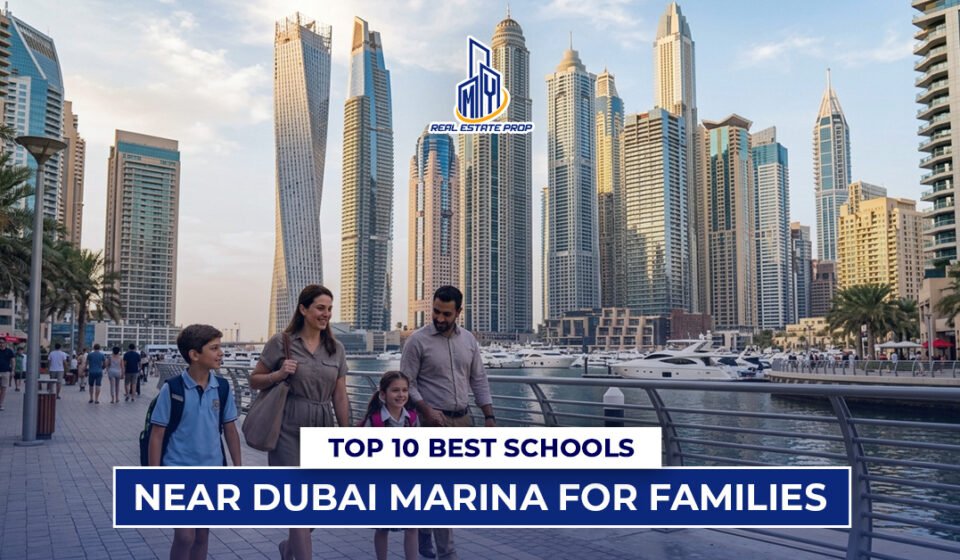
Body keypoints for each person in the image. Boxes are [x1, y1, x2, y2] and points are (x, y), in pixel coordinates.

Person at [248, 284, 351, 560]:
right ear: (303, 309)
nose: (326, 314)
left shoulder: (336, 349)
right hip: (288, 427)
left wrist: (347, 435)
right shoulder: (281, 342)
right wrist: (279, 374)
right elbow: (254, 379)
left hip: (323, 427)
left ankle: (288, 548)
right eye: (320, 308)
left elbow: (340, 395)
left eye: (329, 309)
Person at [400, 285, 496, 560]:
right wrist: (425, 409)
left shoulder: (469, 341)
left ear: (458, 312)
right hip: (430, 423)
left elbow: (479, 379)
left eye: (446, 314)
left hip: (463, 421)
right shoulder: (417, 341)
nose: (439, 318)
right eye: (436, 312)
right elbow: (407, 383)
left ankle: (424, 528)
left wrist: (489, 416)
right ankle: (447, 552)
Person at [148, 324, 241, 560]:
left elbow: (230, 429)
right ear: (194, 354)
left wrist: (238, 468)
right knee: (185, 536)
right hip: (176, 471)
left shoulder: (222, 388)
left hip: (211, 471)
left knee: (201, 535)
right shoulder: (173, 389)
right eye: (214, 348)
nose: (221, 353)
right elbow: (157, 435)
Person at [361, 371, 420, 560]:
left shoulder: (412, 418)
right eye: (395, 390)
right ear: (383, 394)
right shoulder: (375, 421)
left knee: (412, 527)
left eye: (404, 390)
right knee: (382, 528)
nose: (401, 394)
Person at [0, 340, 13, 410]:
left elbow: (13, 361)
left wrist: (13, 370)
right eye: (0, 343)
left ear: (5, 343)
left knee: (3, 388)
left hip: (6, 372)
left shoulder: (9, 351)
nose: (1, 344)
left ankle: (1, 404)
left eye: (2, 343)